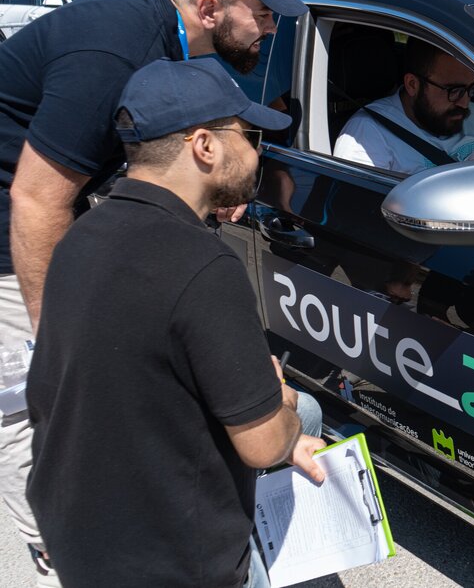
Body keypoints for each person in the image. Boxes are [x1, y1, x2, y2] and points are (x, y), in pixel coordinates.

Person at [0, 0, 307, 582]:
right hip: (15, 219)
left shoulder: (168, 52)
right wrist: (60, 338)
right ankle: (56, 549)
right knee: (43, 399)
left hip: (61, 205)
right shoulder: (114, 50)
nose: (270, 27)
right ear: (207, 9)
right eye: (260, 12)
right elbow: (34, 199)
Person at [26, 58, 326, 587]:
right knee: (303, 411)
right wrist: (283, 412)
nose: (257, 153)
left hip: (81, 535)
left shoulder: (81, 235)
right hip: (175, 562)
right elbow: (260, 444)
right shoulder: (203, 265)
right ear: (204, 146)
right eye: (249, 135)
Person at [333, 39, 474, 174]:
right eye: (454, 90)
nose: (464, 103)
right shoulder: (368, 135)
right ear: (413, 85)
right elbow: (358, 214)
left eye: (471, 88)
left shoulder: (473, 114)